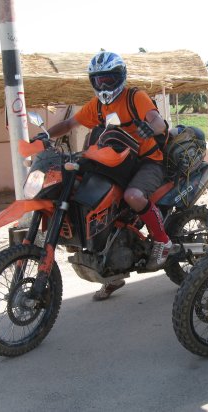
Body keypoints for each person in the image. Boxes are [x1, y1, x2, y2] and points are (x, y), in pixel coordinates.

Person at [38, 51, 171, 301]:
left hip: (147, 162)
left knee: (133, 195)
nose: (104, 85)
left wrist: (148, 127)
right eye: (99, 80)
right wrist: (46, 136)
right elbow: (68, 125)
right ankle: (111, 270)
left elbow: (158, 122)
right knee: (88, 200)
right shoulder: (97, 106)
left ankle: (163, 241)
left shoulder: (135, 97)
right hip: (115, 163)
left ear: (120, 77)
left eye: (109, 79)